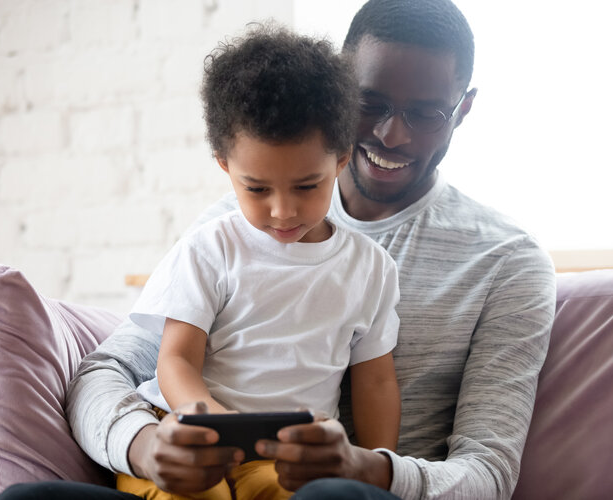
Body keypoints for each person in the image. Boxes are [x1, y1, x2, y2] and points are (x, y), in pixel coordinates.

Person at [0, 0, 556, 499]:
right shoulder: (232, 227)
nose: (391, 135)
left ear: (463, 109)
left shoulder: (507, 262)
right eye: (371, 102)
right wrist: (143, 445)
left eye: (427, 112)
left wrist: (369, 470)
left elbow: (487, 473)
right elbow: (111, 370)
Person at [114, 25, 401, 500]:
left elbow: (375, 382)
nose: (283, 211)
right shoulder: (210, 249)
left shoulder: (370, 269)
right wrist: (210, 420)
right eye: (258, 189)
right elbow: (177, 359)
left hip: (279, 457)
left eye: (307, 186)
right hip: (187, 439)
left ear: (342, 160)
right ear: (225, 165)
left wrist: (369, 470)